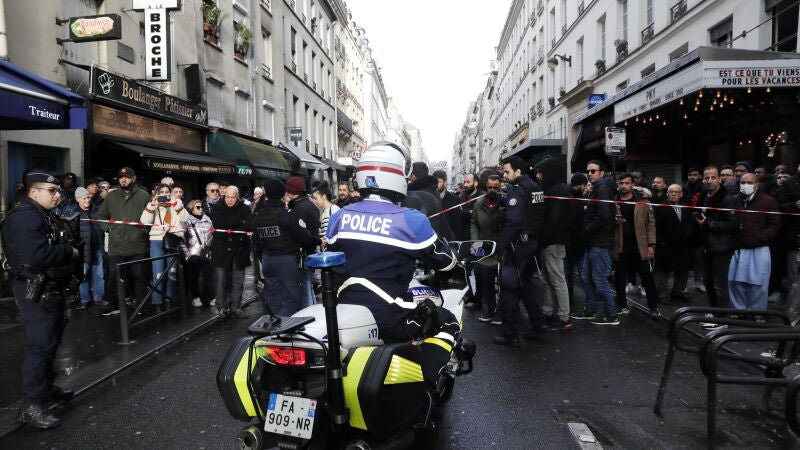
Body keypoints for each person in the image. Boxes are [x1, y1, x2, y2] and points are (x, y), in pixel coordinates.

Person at [327, 141, 459, 384]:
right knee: (447, 320)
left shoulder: (340, 216)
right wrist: (454, 256)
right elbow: (445, 261)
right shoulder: (411, 220)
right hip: (390, 315)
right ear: (399, 177)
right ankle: (427, 384)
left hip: (342, 311)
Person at [1, 171, 80, 429]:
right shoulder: (25, 217)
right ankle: (31, 404)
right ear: (33, 192)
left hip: (50, 286)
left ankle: (46, 391)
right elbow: (37, 255)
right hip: (35, 288)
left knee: (51, 341)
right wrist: (69, 251)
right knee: (41, 345)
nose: (58, 196)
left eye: (58, 191)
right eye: (52, 191)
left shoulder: (41, 213)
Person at [493, 156, 547, 346]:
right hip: (532, 243)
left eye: (507, 171)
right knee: (525, 286)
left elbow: (513, 222)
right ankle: (539, 325)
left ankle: (510, 335)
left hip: (518, 247)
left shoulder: (518, 189)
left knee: (509, 290)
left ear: (518, 171)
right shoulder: (535, 187)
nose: (505, 175)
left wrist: (500, 247)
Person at [255, 179, 322, 316]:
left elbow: (256, 243)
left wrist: (265, 258)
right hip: (286, 260)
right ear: (282, 193)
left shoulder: (258, 216)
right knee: (292, 296)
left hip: (267, 260)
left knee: (272, 295)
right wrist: (319, 241)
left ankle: (274, 322)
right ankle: (289, 325)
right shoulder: (287, 215)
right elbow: (304, 237)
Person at [98, 167, 151, 316]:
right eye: (121, 177)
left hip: (137, 245)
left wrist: (143, 231)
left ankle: (140, 305)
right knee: (114, 278)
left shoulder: (143, 195)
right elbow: (102, 214)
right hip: (117, 245)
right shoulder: (111, 195)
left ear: (133, 178)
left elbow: (151, 216)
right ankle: (113, 305)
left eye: (126, 177)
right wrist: (108, 229)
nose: (123, 179)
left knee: (139, 277)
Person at [571, 160, 618, 325]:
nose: (589, 174)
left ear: (602, 173)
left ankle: (611, 314)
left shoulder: (603, 189)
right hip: (593, 242)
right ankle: (590, 309)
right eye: (588, 171)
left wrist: (587, 229)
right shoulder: (597, 188)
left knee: (599, 278)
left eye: (593, 171)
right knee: (586, 276)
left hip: (600, 242)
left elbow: (604, 215)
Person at [695, 166, 741, 329]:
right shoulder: (703, 197)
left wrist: (708, 223)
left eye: (713, 177)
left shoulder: (728, 199)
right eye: (707, 177)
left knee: (719, 284)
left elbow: (733, 224)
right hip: (706, 246)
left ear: (719, 179)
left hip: (721, 247)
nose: (709, 180)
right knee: (708, 282)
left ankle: (721, 319)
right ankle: (714, 312)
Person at [728, 173, 781, 312]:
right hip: (738, 248)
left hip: (759, 248)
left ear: (756, 185)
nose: (746, 185)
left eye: (749, 182)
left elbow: (775, 225)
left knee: (759, 282)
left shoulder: (769, 201)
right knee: (735, 281)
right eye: (743, 182)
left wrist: (760, 237)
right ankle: (738, 310)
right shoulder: (734, 200)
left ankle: (758, 312)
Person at [612, 174, 660, 319]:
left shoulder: (642, 201)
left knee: (647, 277)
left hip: (640, 246)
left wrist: (651, 245)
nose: (623, 186)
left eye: (626, 183)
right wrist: (614, 222)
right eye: (621, 183)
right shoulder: (613, 200)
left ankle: (654, 308)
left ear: (632, 184)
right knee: (620, 277)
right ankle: (622, 305)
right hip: (620, 246)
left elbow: (651, 224)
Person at [536, 158, 574, 329]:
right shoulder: (555, 189)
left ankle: (564, 317)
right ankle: (548, 311)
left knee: (557, 280)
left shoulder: (558, 190)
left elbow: (554, 220)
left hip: (553, 242)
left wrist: (543, 240)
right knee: (547, 279)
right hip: (550, 241)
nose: (538, 176)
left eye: (540, 172)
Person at [139, 183, 188, 313]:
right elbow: (144, 221)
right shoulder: (153, 204)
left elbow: (185, 218)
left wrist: (175, 203)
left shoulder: (177, 203)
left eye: (167, 192)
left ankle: (169, 300)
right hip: (156, 241)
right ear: (157, 194)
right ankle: (157, 302)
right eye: (161, 192)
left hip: (172, 240)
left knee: (172, 273)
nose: (165, 194)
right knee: (158, 273)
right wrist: (152, 205)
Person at [209, 186, 252, 318]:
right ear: (224, 196)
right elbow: (219, 224)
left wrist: (230, 223)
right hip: (221, 248)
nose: (230, 200)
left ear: (237, 196)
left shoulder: (245, 208)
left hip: (240, 248)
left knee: (238, 280)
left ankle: (236, 307)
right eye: (227, 197)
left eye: (233, 197)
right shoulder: (216, 207)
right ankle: (221, 307)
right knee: (220, 279)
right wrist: (238, 221)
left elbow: (248, 225)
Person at [65, 187, 106, 310]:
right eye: (84, 198)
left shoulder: (97, 210)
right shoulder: (73, 212)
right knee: (83, 275)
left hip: (97, 247)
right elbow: (70, 232)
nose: (87, 200)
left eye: (88, 197)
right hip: (83, 250)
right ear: (78, 199)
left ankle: (98, 298)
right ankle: (85, 300)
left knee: (99, 274)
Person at [472, 174, 504, 324]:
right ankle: (489, 311)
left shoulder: (504, 203)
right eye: (490, 187)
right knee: (486, 281)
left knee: (504, 283)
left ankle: (501, 313)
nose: (492, 190)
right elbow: (474, 223)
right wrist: (476, 242)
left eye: (495, 188)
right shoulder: (479, 203)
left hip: (500, 247)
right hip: (484, 246)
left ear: (500, 187)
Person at [653, 184, 693, 304]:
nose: (673, 194)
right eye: (671, 192)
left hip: (682, 245)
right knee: (662, 271)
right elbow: (654, 227)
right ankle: (661, 295)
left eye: (676, 192)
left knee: (682, 271)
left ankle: (677, 293)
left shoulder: (686, 207)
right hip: (665, 245)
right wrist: (659, 241)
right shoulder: (660, 207)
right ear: (667, 193)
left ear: (681, 194)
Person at [285, 176, 320, 308]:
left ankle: (309, 316)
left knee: (305, 289)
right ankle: (314, 312)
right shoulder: (310, 205)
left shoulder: (299, 208)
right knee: (308, 287)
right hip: (310, 250)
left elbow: (299, 234)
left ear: (292, 191)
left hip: (301, 253)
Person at [405, 161, 454, 241]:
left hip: (421, 239)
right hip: (435, 237)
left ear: (413, 176)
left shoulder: (413, 194)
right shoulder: (434, 191)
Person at [182, 199, 214, 308]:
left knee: (209, 276)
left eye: (202, 207)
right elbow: (181, 240)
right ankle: (195, 297)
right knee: (193, 277)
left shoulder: (208, 219)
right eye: (198, 207)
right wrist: (187, 255)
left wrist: (211, 249)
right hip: (193, 254)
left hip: (206, 253)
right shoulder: (187, 221)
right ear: (191, 209)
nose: (201, 209)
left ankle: (210, 296)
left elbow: (213, 235)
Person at [565, 173, 589, 312]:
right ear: (580, 185)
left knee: (567, 276)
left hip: (569, 244)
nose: (585, 188)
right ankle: (589, 305)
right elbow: (577, 224)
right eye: (584, 185)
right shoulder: (575, 200)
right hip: (576, 244)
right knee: (584, 276)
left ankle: (567, 301)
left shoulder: (569, 196)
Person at [433, 170, 462, 241]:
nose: (436, 185)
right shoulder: (428, 197)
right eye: (434, 182)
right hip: (433, 239)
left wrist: (456, 242)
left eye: (439, 182)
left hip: (449, 239)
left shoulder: (454, 199)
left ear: (445, 182)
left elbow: (458, 224)